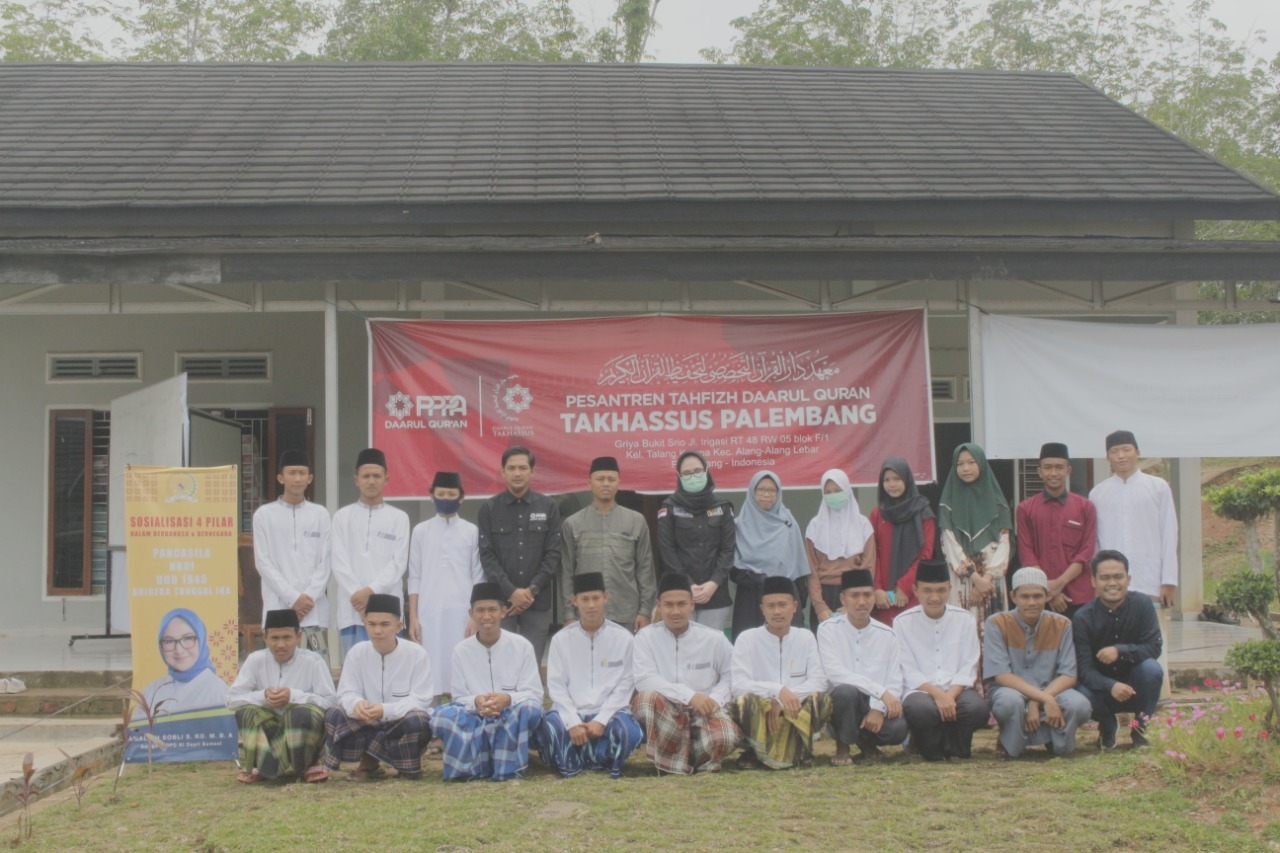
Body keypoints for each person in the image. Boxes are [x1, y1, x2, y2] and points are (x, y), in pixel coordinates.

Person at [1089, 429, 1177, 698]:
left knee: (1152, 638)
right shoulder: (1098, 493)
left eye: (1126, 449)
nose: (1121, 455)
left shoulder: (1157, 487)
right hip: (1111, 583)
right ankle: (1120, 700)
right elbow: (1096, 543)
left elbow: (1169, 533)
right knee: (1114, 639)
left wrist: (1169, 580)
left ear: (1137, 452)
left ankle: (1156, 697)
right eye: (1115, 451)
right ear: (1108, 458)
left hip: (1149, 578)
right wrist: (1096, 583)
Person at [432, 582, 545, 781]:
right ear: (471, 614)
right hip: (476, 715)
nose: (486, 616)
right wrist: (478, 701)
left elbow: (534, 693)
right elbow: (459, 696)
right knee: (440, 715)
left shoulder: (521, 646)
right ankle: (479, 765)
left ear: (503, 611)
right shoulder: (461, 650)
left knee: (530, 708)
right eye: (480, 610)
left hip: (511, 713)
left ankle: (504, 767)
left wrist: (507, 699)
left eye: (492, 610)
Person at [631, 573, 741, 774]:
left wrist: (715, 699)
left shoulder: (713, 638)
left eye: (682, 604)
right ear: (659, 606)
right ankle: (696, 757)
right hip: (666, 711)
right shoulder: (645, 637)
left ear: (692, 605)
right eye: (669, 605)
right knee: (645, 700)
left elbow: (732, 674)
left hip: (705, 709)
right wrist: (689, 696)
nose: (675, 611)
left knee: (726, 736)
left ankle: (682, 758)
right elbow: (644, 679)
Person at [539, 572, 645, 778]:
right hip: (570, 711)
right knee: (549, 728)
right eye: (585, 599)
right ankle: (578, 760)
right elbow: (556, 686)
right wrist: (572, 721)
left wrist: (602, 719)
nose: (591, 605)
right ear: (574, 601)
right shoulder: (561, 640)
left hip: (611, 713)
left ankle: (592, 757)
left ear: (605, 597)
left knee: (630, 733)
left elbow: (625, 685)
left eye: (596, 598)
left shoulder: (623, 638)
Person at [321, 594, 433, 780]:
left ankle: (406, 766)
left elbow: (421, 699)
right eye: (372, 624)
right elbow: (346, 692)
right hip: (366, 719)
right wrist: (357, 704)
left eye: (384, 624)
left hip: (399, 720)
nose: (377, 631)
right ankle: (368, 762)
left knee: (419, 719)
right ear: (365, 624)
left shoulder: (417, 654)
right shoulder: (357, 653)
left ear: (399, 626)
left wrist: (384, 710)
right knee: (335, 713)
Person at [983, 567, 1092, 758]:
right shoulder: (997, 623)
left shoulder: (1062, 624)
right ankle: (1013, 743)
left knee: (1080, 706)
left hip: (1052, 689)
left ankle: (1056, 741)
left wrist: (1039, 700)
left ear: (1047, 596)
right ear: (1013, 596)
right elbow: (1001, 675)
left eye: (1037, 596)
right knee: (1008, 702)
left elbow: (1068, 675)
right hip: (1013, 691)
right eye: (1025, 596)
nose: (1032, 602)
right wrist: (1045, 699)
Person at [226, 608, 337, 783]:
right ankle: (263, 766)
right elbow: (232, 700)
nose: (281, 645)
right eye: (275, 638)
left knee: (301, 714)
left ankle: (308, 765)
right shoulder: (255, 660)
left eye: (287, 638)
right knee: (245, 713)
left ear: (298, 637)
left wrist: (294, 696)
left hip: (300, 727)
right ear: (265, 638)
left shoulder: (313, 661)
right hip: (270, 723)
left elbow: (331, 701)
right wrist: (263, 696)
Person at [729, 576, 829, 769]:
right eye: (771, 606)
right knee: (744, 703)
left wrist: (785, 700)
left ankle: (799, 748)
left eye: (783, 605)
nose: (777, 611)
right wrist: (776, 691)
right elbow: (739, 685)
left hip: (793, 709)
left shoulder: (805, 637)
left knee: (821, 701)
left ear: (795, 606)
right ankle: (755, 750)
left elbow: (819, 681)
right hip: (764, 710)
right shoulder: (747, 639)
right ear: (762, 609)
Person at [893, 559, 987, 761]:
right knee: (921, 710)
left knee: (976, 709)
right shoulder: (902, 622)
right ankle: (929, 749)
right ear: (915, 590)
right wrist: (938, 695)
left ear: (949, 589)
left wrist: (949, 696)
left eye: (941, 590)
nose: (934, 597)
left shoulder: (964, 619)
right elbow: (908, 669)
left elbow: (969, 665)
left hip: (957, 690)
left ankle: (957, 749)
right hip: (921, 691)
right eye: (927, 590)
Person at [477, 446, 562, 662]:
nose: (517, 473)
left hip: (537, 601)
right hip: (501, 603)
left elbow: (553, 555)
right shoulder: (489, 509)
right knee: (501, 661)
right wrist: (511, 591)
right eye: (511, 468)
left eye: (523, 468)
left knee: (531, 662)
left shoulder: (548, 507)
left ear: (532, 472)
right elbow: (487, 556)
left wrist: (530, 591)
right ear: (503, 472)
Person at [1072, 550, 1163, 750]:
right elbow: (1084, 669)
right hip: (1100, 690)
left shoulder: (1142, 605)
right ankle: (1107, 724)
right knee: (1077, 688)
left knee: (1152, 669)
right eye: (1105, 578)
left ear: (1128, 579)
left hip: (1136, 685)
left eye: (1118, 577)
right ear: (1093, 581)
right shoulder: (1082, 618)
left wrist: (1120, 651)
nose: (1112, 583)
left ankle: (1141, 730)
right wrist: (1110, 685)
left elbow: (1154, 647)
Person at [408, 471, 484, 705]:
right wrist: (413, 616)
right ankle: (431, 727)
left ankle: (461, 720)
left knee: (461, 671)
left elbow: (478, 575)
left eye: (451, 494)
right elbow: (414, 575)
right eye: (440, 494)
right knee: (430, 673)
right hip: (428, 613)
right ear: (431, 496)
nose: (446, 498)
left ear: (461, 497)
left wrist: (475, 616)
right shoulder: (421, 530)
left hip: (462, 612)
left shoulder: (471, 531)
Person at [817, 568, 907, 765]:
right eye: (854, 596)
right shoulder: (828, 630)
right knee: (846, 691)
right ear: (843, 599)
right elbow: (835, 674)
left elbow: (894, 679)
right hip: (842, 703)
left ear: (874, 597)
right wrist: (881, 692)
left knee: (898, 729)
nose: (861, 602)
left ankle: (866, 744)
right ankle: (843, 747)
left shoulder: (887, 635)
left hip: (873, 702)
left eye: (867, 595)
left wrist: (878, 709)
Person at [330, 448, 410, 661]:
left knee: (391, 669)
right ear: (356, 480)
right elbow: (338, 561)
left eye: (377, 476)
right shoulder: (341, 517)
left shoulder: (399, 518)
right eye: (366, 476)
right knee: (355, 669)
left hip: (387, 606)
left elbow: (398, 563)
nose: (371, 481)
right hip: (352, 608)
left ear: (387, 479)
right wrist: (358, 594)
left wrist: (370, 592)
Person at [559, 457, 656, 633]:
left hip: (627, 613)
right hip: (586, 615)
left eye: (611, 479)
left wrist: (645, 611)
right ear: (589, 482)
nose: (606, 484)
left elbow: (645, 569)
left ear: (619, 482)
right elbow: (567, 572)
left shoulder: (636, 521)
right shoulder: (573, 524)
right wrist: (568, 615)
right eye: (600, 479)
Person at [252, 449, 331, 656]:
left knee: (317, 672)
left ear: (310, 478)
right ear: (280, 477)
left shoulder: (320, 514)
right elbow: (263, 562)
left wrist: (307, 598)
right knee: (278, 674)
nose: (297, 478)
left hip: (313, 610)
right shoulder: (264, 515)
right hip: (278, 608)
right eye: (292, 472)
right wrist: (292, 598)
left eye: (302, 473)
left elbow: (326, 562)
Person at [938, 442, 1013, 638]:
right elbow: (949, 545)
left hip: (991, 582)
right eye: (960, 464)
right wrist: (974, 577)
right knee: (961, 636)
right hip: (962, 581)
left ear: (981, 464)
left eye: (971, 462)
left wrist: (986, 579)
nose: (966, 468)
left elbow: (1004, 544)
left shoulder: (998, 504)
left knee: (993, 636)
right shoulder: (948, 504)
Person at [656, 451, 737, 631]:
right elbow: (667, 551)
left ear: (706, 471)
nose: (693, 476)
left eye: (698, 471)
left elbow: (728, 550)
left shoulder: (723, 507)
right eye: (687, 473)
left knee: (710, 651)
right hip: (681, 595)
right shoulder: (669, 508)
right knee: (682, 650)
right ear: (679, 476)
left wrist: (713, 583)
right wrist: (689, 584)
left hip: (716, 595)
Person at [1015, 442, 1096, 619]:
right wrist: (1048, 590)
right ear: (1040, 472)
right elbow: (1027, 553)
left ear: (1068, 470)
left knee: (1080, 645)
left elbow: (1086, 552)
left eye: (1059, 467)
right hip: (1039, 597)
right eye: (1048, 468)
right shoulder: (1025, 509)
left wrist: (1059, 583)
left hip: (1079, 595)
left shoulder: (1085, 507)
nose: (1053, 473)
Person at [730, 471, 809, 637]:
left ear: (778, 493)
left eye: (772, 491)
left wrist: (799, 601)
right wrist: (758, 580)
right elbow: (733, 569)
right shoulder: (738, 526)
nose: (766, 495)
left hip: (784, 594)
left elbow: (798, 564)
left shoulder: (788, 523)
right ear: (752, 492)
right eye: (761, 490)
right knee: (750, 648)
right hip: (750, 598)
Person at [868, 457, 936, 626]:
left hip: (912, 594)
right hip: (883, 598)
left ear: (907, 479)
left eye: (897, 479)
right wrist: (877, 589)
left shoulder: (923, 513)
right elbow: (872, 554)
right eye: (887, 480)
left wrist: (905, 586)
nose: (892, 484)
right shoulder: (877, 515)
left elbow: (925, 555)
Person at [805, 469, 876, 629]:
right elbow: (812, 572)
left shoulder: (863, 525)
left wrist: (855, 601)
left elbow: (868, 567)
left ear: (847, 491)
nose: (833, 495)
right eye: (828, 492)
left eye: (838, 490)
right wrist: (820, 607)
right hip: (824, 596)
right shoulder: (814, 527)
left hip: (856, 594)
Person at [133, 608, 229, 719]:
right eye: (169, 641)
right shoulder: (152, 691)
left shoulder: (219, 693)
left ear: (201, 640)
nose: (179, 650)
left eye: (188, 638)